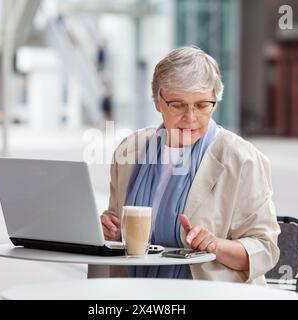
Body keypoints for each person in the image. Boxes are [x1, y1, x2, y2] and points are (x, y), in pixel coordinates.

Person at [100, 46, 280, 284]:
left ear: (215, 101)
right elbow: (115, 222)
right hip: (134, 291)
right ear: (158, 101)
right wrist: (109, 228)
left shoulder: (242, 159)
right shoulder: (130, 150)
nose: (190, 117)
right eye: (177, 104)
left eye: (202, 105)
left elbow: (265, 250)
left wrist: (215, 245)